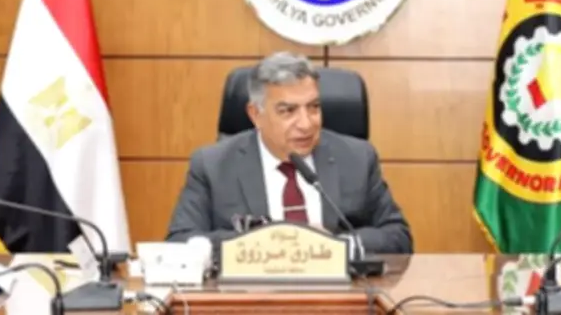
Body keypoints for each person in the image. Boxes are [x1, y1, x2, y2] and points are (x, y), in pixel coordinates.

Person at [165, 51, 413, 255]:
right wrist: (266, 244)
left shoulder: (357, 158)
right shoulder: (212, 165)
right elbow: (180, 242)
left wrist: (337, 246)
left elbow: (398, 237)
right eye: (288, 111)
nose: (306, 124)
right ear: (255, 114)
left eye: (314, 107)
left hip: (339, 294)